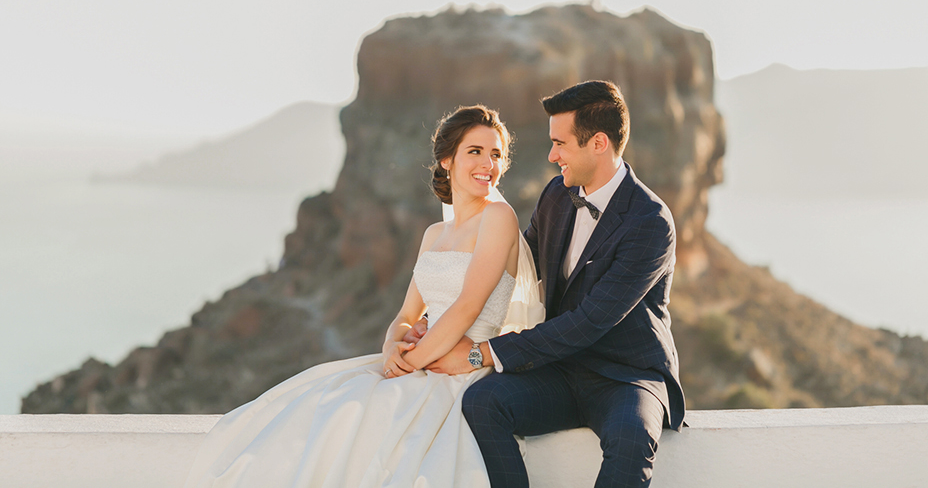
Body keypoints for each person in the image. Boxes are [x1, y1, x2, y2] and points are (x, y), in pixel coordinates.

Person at [181, 105, 544, 488]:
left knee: (379, 419)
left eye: (496, 154)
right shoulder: (434, 234)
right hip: (422, 359)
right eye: (475, 151)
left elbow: (469, 304)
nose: (488, 163)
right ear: (446, 159)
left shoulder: (498, 218)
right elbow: (407, 313)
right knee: (325, 407)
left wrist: (414, 361)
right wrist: (391, 348)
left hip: (457, 366)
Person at [419, 80, 685, 488]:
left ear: (598, 143)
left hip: (627, 377)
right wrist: (437, 322)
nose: (551, 155)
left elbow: (589, 321)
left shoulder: (650, 222)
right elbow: (511, 269)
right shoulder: (556, 196)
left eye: (560, 143)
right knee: (483, 402)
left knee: (631, 438)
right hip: (560, 371)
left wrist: (478, 355)